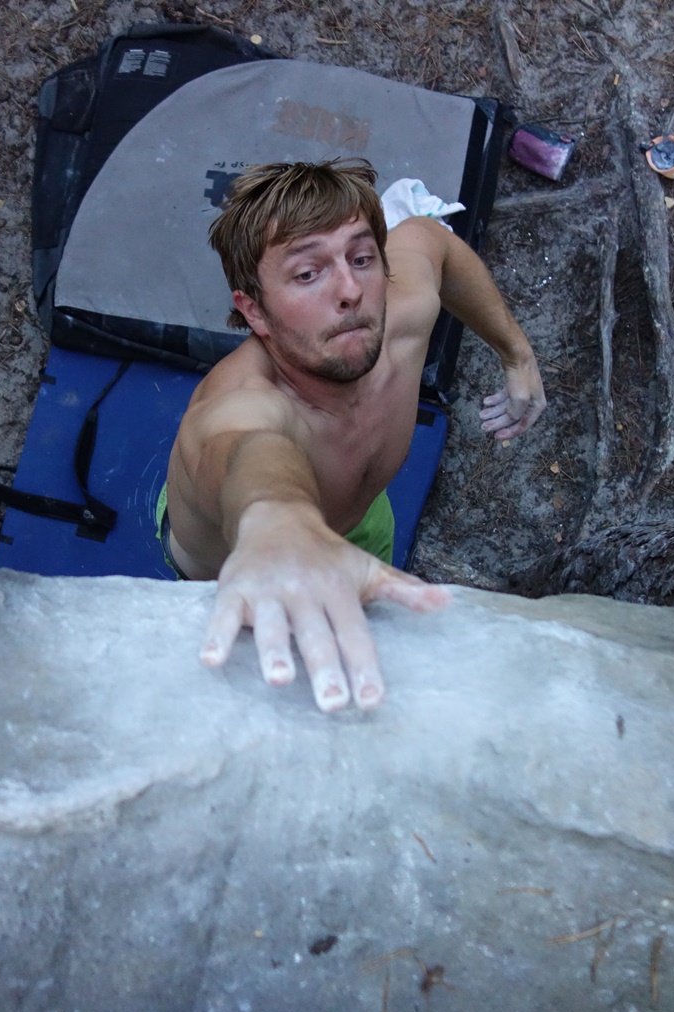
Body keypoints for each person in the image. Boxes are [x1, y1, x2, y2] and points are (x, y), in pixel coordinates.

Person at [160, 159, 545, 712]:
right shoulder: (239, 409)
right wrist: (279, 518)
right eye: (307, 273)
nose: (350, 290)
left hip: (358, 519)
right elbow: (248, 452)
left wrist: (517, 354)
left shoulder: (401, 312)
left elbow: (433, 242)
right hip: (252, 569)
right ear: (254, 310)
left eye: (362, 258)